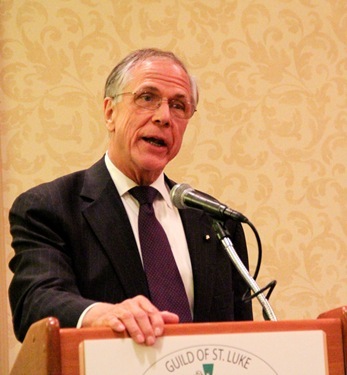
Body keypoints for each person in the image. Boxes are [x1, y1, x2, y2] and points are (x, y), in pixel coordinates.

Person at [8, 48, 253, 346]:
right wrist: (101, 314)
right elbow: (34, 301)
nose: (164, 117)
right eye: (147, 98)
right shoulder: (51, 208)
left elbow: (243, 337)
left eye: (179, 106)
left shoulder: (215, 222)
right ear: (110, 112)